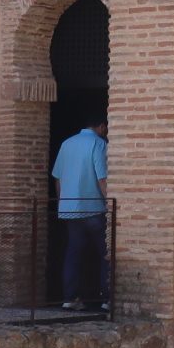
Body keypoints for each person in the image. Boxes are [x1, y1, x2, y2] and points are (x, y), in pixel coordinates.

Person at [51, 116, 109, 312]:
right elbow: (102, 178)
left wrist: (62, 203)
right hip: (94, 208)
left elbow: (57, 178)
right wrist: (110, 204)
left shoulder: (67, 144)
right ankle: (107, 299)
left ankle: (70, 298)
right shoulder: (98, 143)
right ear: (102, 126)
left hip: (69, 210)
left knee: (73, 252)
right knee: (106, 254)